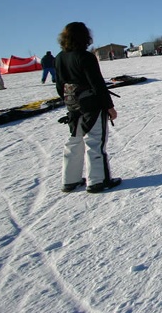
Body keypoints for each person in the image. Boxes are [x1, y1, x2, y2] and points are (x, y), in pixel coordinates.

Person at [55, 22, 121, 194]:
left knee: (74, 141)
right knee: (94, 141)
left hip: (72, 106)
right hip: (91, 105)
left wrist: (69, 102)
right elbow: (97, 85)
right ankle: (98, 181)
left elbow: (59, 85)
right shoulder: (85, 57)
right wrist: (109, 107)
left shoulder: (60, 57)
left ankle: (70, 180)